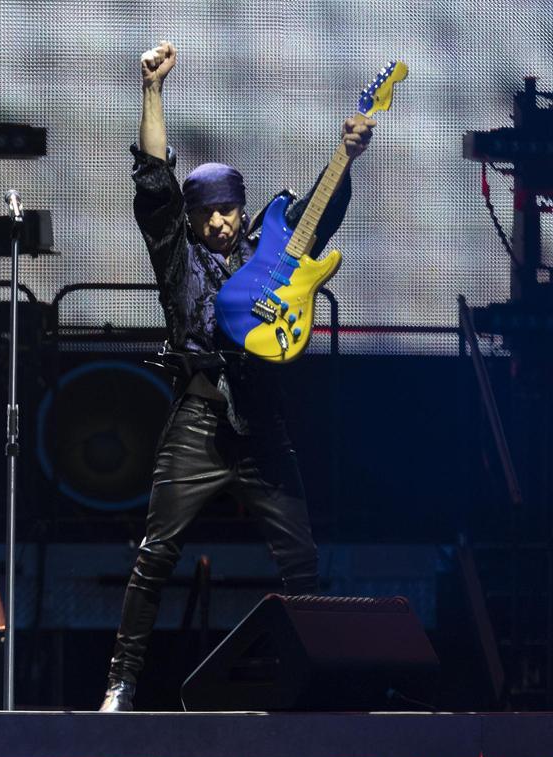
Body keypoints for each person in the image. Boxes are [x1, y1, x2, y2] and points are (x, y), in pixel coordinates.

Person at [99, 42, 376, 712]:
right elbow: (152, 180)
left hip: (261, 415)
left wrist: (348, 154)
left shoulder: (267, 250)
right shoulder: (175, 253)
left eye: (227, 210)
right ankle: (122, 683)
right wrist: (152, 91)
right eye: (206, 213)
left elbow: (319, 212)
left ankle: (318, 681)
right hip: (198, 414)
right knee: (155, 554)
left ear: (241, 209)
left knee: (301, 561)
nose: (218, 223)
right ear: (191, 218)